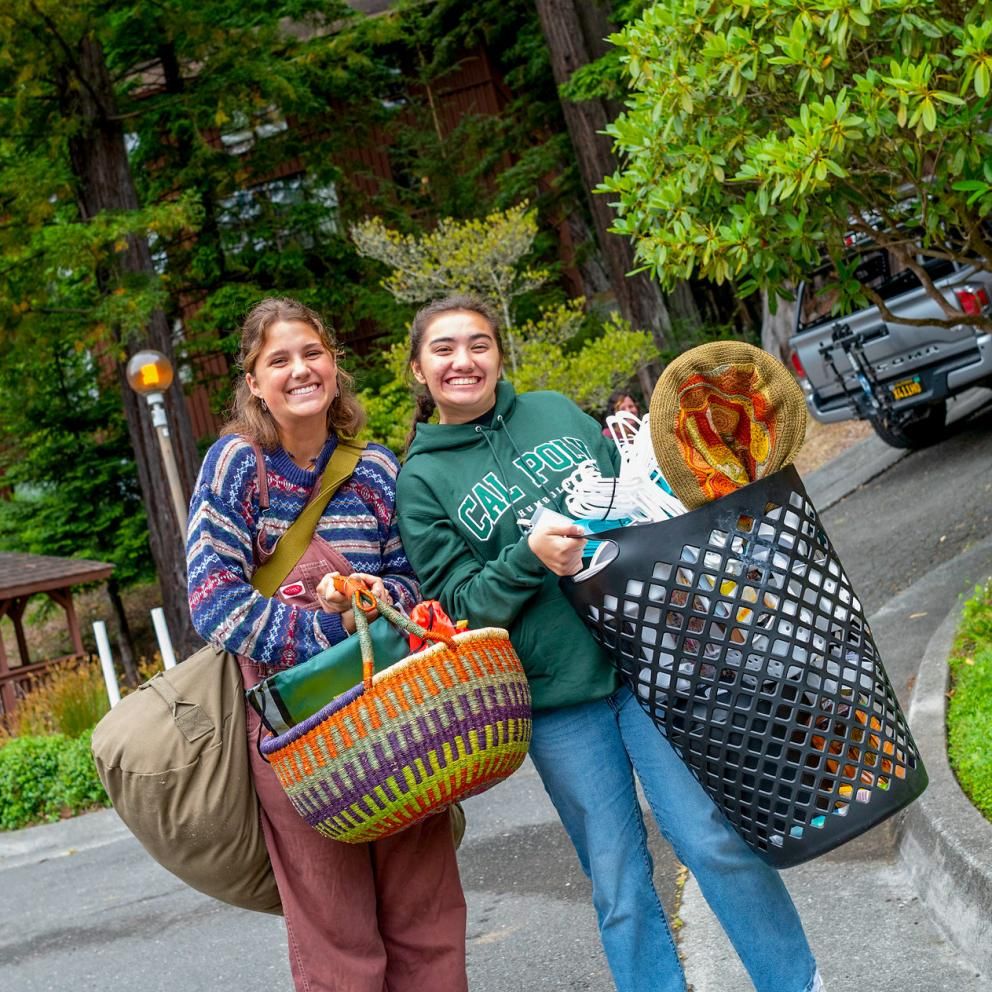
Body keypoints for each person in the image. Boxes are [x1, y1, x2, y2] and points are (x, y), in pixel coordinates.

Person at [395, 293, 824, 992]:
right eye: (443, 349)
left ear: (499, 353)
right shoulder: (422, 481)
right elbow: (456, 609)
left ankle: (798, 982)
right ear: (418, 369)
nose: (462, 360)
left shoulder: (556, 412)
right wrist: (527, 555)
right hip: (558, 701)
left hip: (648, 663)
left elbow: (637, 505)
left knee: (715, 838)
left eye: (477, 343)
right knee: (620, 883)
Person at [186, 297, 467, 992]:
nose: (300, 370)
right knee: (336, 937)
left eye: (311, 353)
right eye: (278, 360)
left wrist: (375, 600)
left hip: (396, 709)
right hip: (294, 728)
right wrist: (326, 629)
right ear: (253, 382)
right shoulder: (236, 467)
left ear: (334, 363)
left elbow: (414, 580)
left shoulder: (373, 467)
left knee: (427, 917)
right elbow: (211, 601)